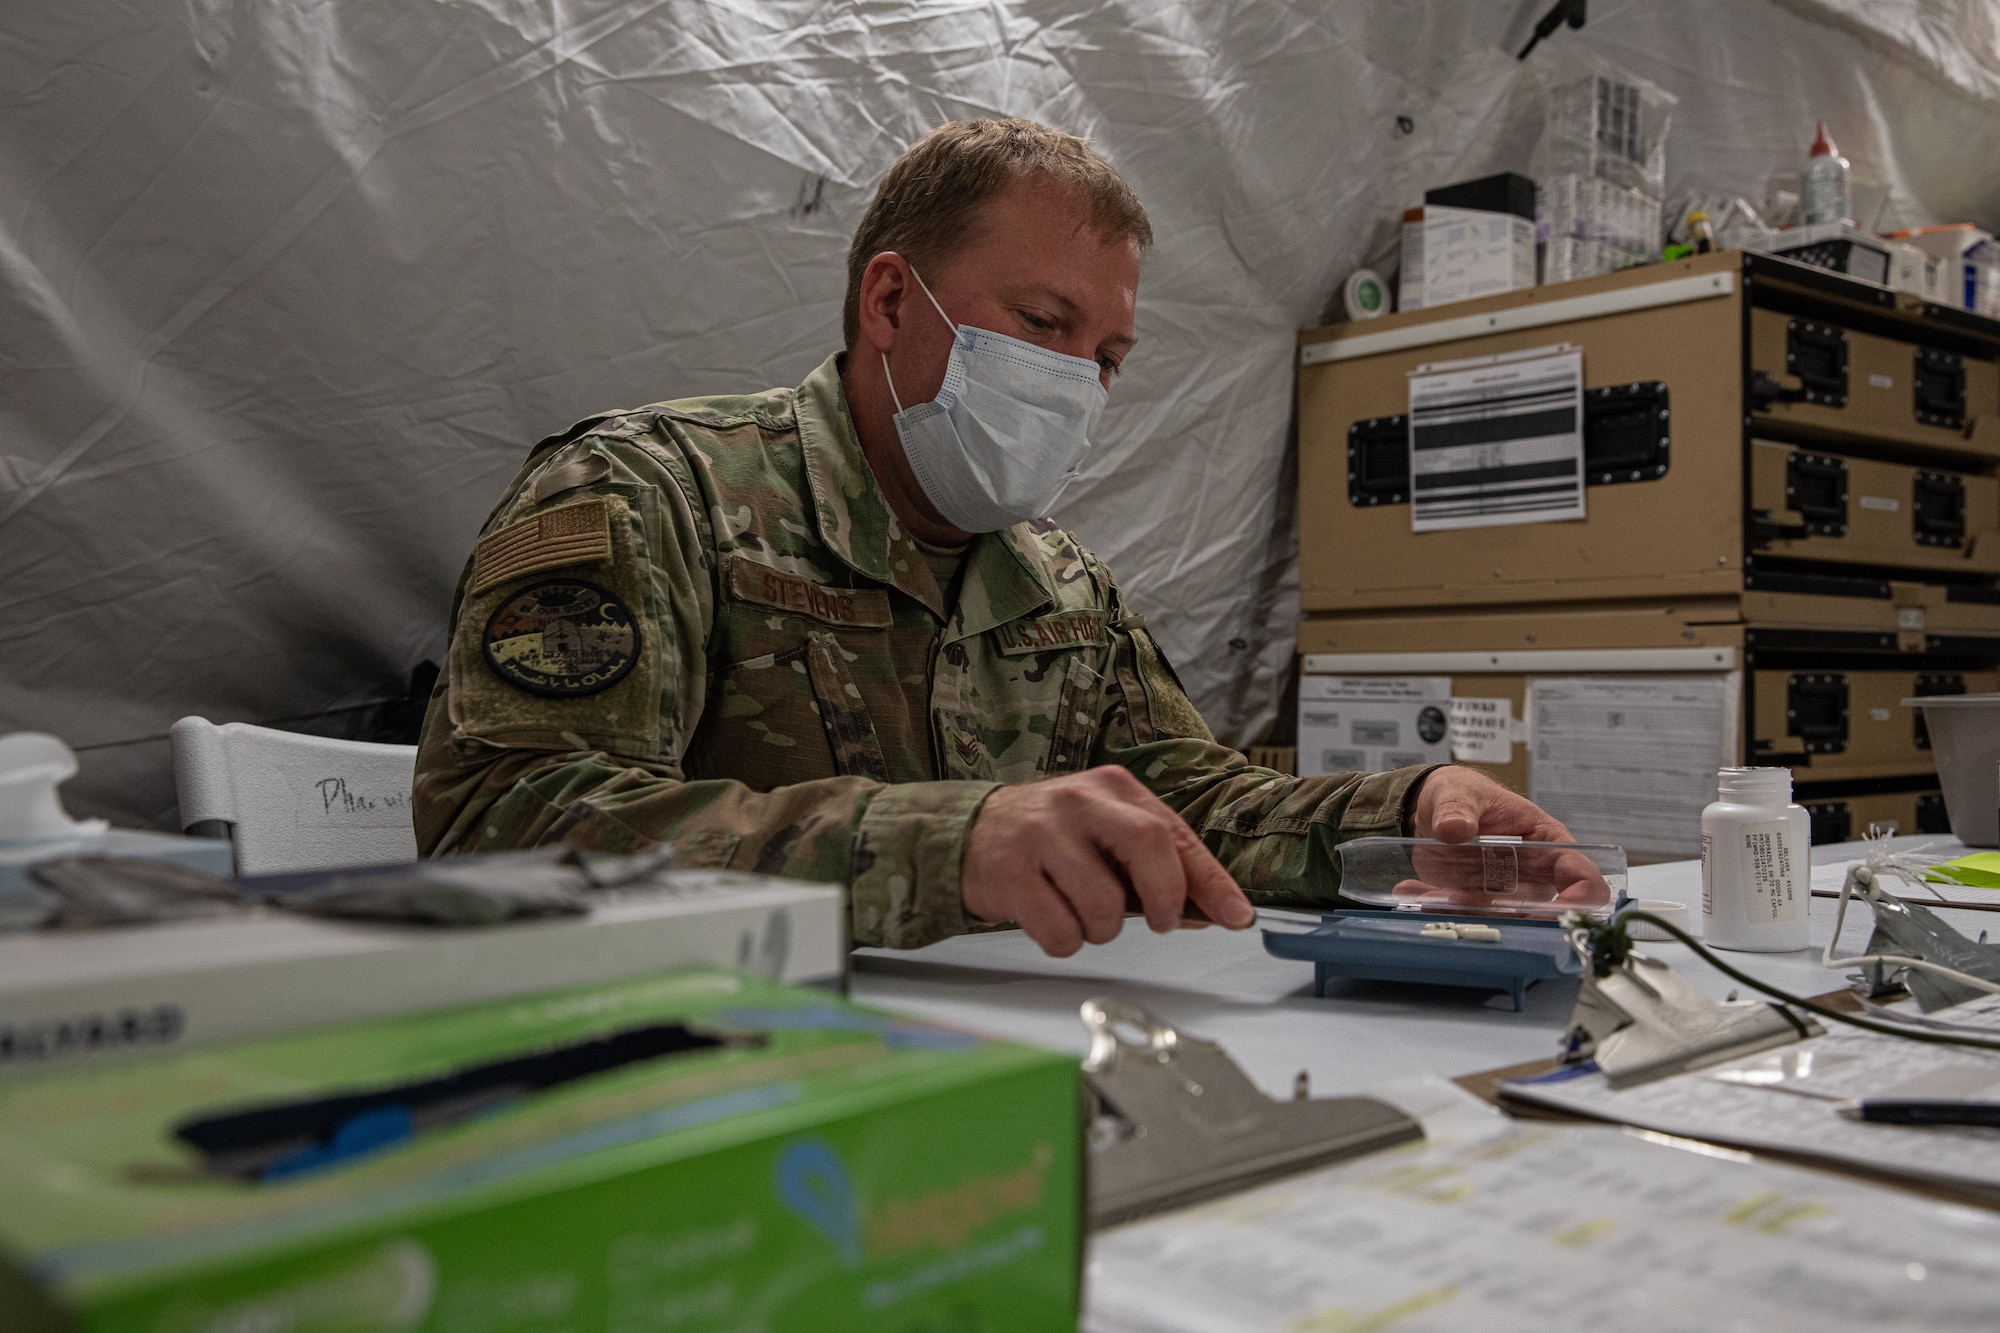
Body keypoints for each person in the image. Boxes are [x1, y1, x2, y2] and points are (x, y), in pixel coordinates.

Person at [412, 117, 1591, 957]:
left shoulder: (1059, 587)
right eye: (1040, 323)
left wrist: (1407, 818)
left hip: (994, 1066)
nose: (1075, 383)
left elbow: (1189, 806)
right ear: (888, 303)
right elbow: (502, 830)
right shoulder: (648, 493)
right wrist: (954, 842)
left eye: (1108, 359)